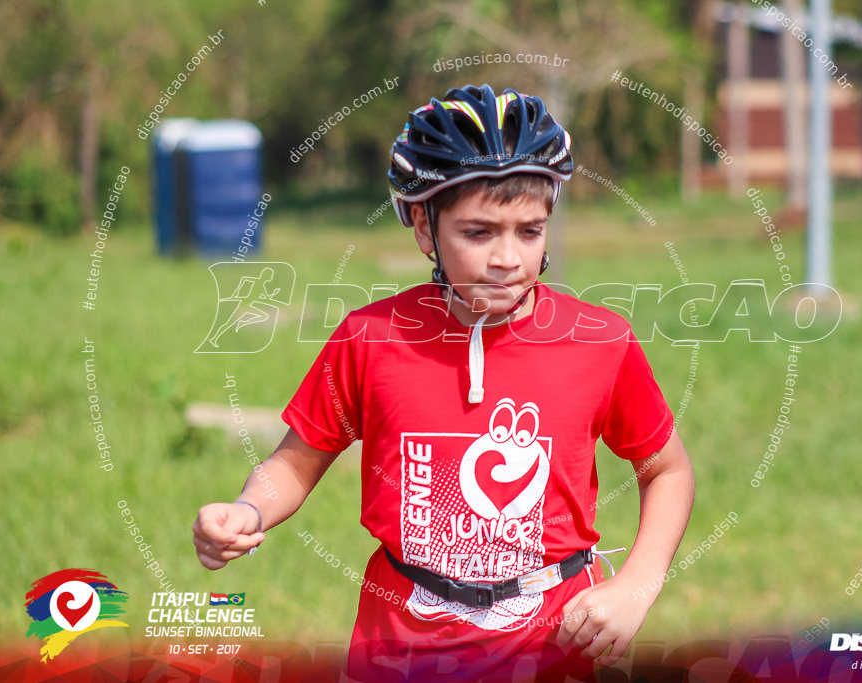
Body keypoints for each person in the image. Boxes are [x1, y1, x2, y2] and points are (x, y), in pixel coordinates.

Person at [192, 84, 695, 682]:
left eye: (529, 231)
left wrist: (638, 584)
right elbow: (294, 464)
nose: (508, 257)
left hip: (555, 640)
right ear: (425, 229)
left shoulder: (598, 340)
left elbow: (667, 470)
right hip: (398, 645)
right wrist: (248, 510)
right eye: (479, 233)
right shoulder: (371, 338)